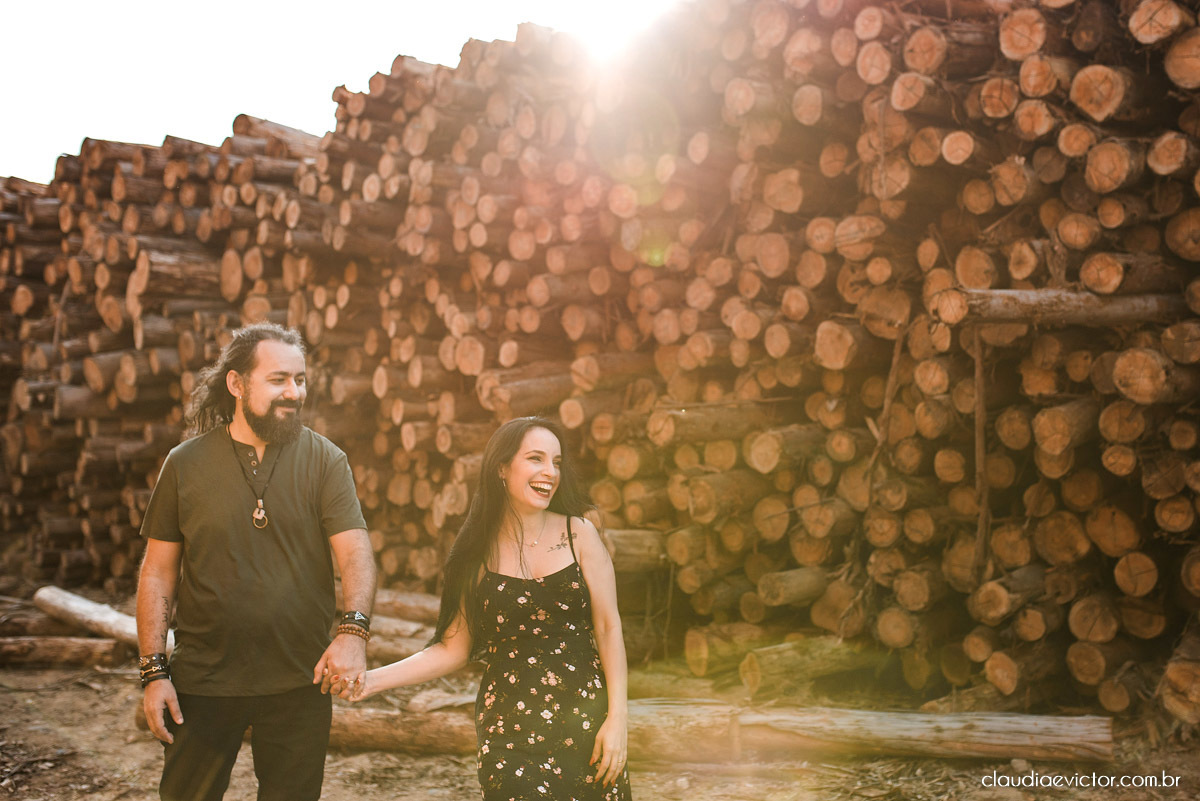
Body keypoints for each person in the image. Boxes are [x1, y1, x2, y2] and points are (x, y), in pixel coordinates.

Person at [135, 322, 377, 801]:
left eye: (300, 379)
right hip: (203, 683)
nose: (293, 392)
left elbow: (355, 553)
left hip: (299, 681)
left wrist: (353, 633)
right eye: (278, 380)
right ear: (237, 384)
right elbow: (158, 573)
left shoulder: (326, 461)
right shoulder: (185, 464)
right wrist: (153, 673)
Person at [344, 416, 632, 799]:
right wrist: (372, 681)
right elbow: (452, 649)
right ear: (501, 467)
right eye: (535, 458)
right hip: (509, 732)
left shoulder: (579, 534)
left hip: (586, 721)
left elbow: (609, 627)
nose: (550, 471)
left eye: (557, 462)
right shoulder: (474, 556)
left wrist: (618, 720)